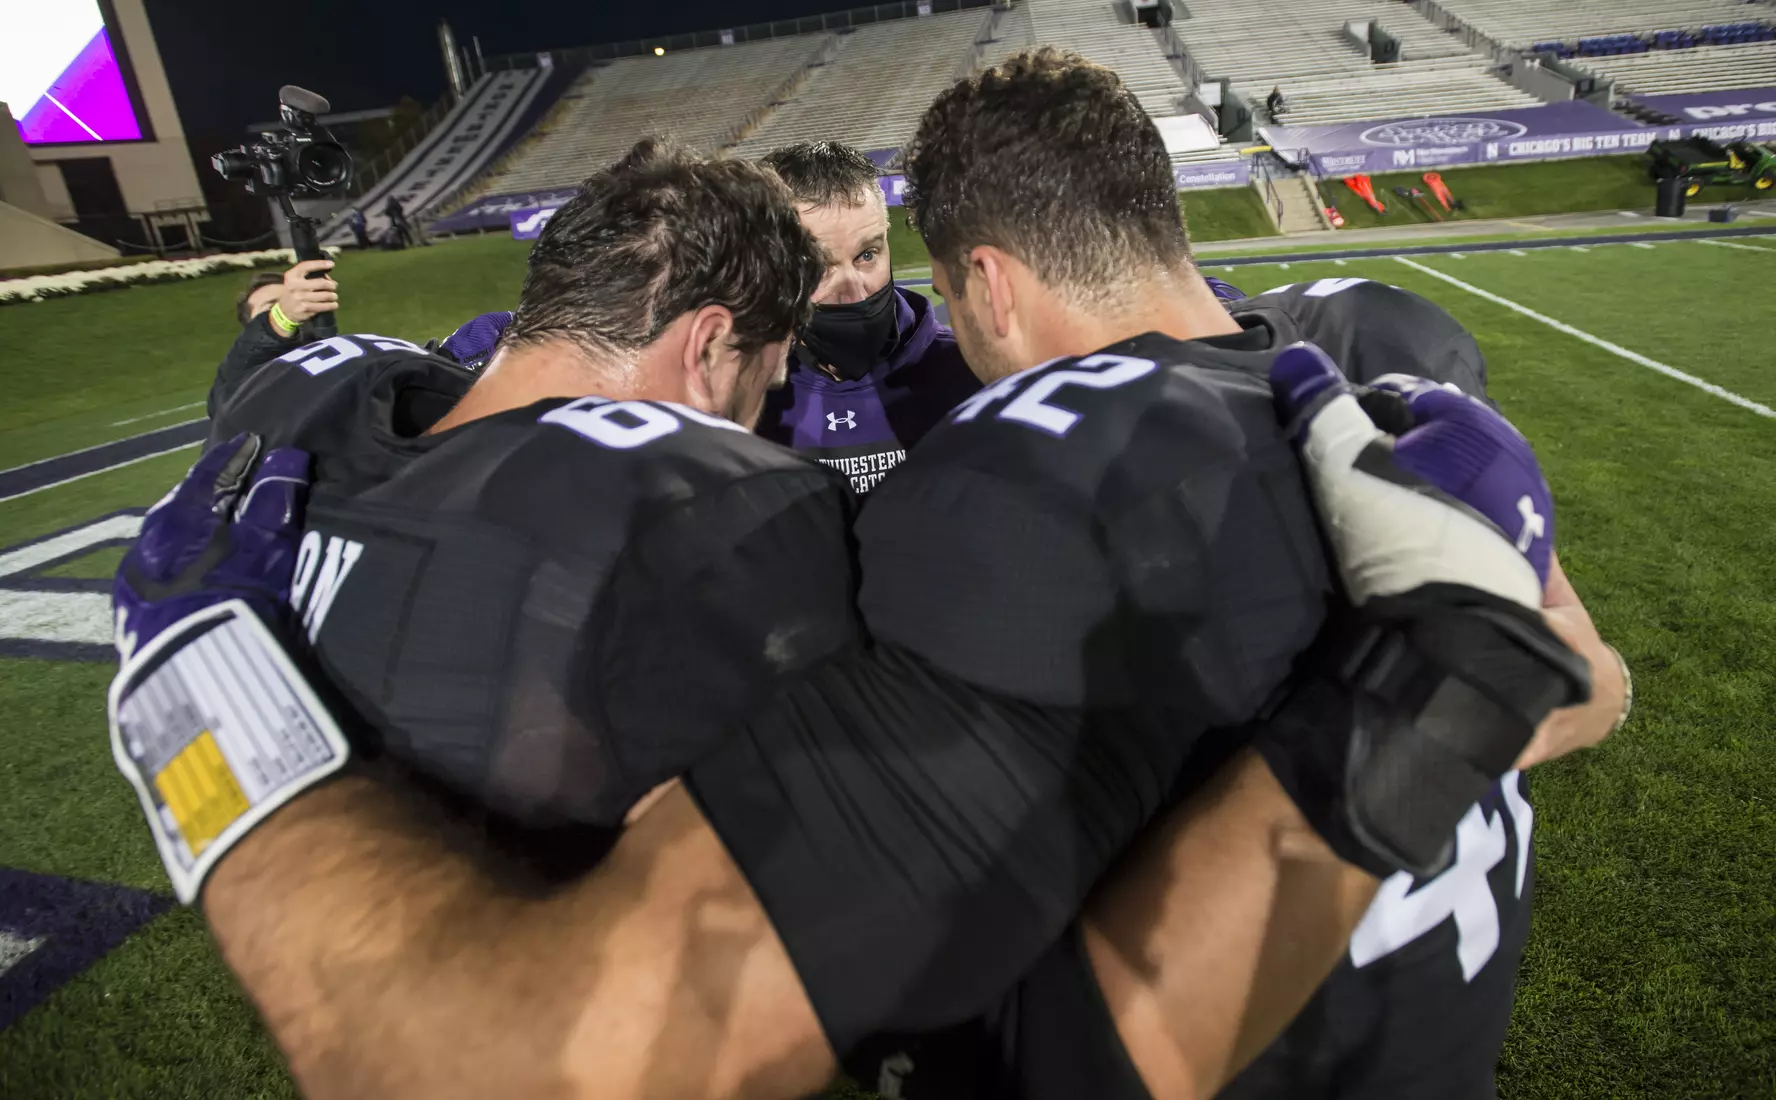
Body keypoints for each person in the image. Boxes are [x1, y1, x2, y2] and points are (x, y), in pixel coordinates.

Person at [118, 57, 1623, 1100]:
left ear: (980, 279)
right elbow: (1587, 680)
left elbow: (497, 1068)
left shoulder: (1008, 497)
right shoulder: (1378, 392)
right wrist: (1449, 688)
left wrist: (195, 698)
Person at [754, 140, 980, 494]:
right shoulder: (746, 396)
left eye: (867, 255)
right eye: (818, 267)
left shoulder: (972, 374)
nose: (855, 292)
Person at [214, 259, 339, 419]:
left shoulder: (345, 350)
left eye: (294, 300)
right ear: (251, 325)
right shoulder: (239, 372)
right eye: (271, 307)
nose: (292, 307)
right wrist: (282, 317)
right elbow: (223, 401)